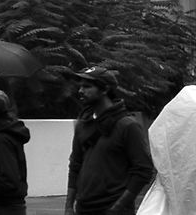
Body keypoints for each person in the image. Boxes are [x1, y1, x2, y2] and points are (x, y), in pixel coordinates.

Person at [66, 66, 155, 215]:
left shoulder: (127, 126)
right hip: (84, 208)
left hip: (114, 208)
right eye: (80, 86)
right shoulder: (83, 124)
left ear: (105, 89)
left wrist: (118, 207)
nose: (80, 91)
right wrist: (69, 206)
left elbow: (143, 170)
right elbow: (75, 165)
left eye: (87, 86)